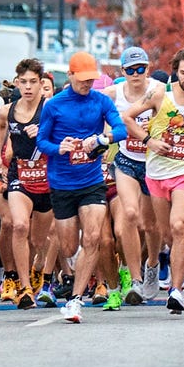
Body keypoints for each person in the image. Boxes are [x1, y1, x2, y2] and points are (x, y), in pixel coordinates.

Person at [37, 52, 127, 323]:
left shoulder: (100, 101)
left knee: (93, 238)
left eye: (92, 79)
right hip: (62, 183)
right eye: (83, 79)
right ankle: (80, 271)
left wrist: (100, 139)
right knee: (67, 247)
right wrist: (59, 148)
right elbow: (41, 142)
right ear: (71, 75)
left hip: (91, 182)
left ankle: (75, 301)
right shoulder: (54, 105)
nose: (88, 84)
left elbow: (121, 130)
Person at [124, 44, 184, 314]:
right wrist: (149, 141)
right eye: (183, 72)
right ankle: (176, 265)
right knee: (167, 236)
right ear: (176, 72)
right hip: (157, 173)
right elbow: (126, 117)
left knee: (178, 225)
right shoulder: (159, 94)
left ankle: (177, 290)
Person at [105, 45, 164, 304]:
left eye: (141, 69)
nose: (136, 74)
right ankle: (136, 279)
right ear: (123, 71)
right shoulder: (112, 94)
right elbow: (88, 106)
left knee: (150, 225)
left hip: (153, 163)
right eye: (131, 70)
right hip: (127, 161)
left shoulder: (157, 91)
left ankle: (152, 265)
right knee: (129, 214)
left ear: (148, 68)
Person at [0, 58, 53, 310]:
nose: (28, 87)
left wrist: (42, 131)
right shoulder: (9, 109)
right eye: (23, 82)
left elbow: (66, 133)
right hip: (21, 174)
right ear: (17, 83)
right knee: (19, 226)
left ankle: (38, 266)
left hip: (48, 178)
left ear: (41, 84)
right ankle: (24, 288)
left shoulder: (50, 106)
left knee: (38, 240)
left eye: (33, 82)